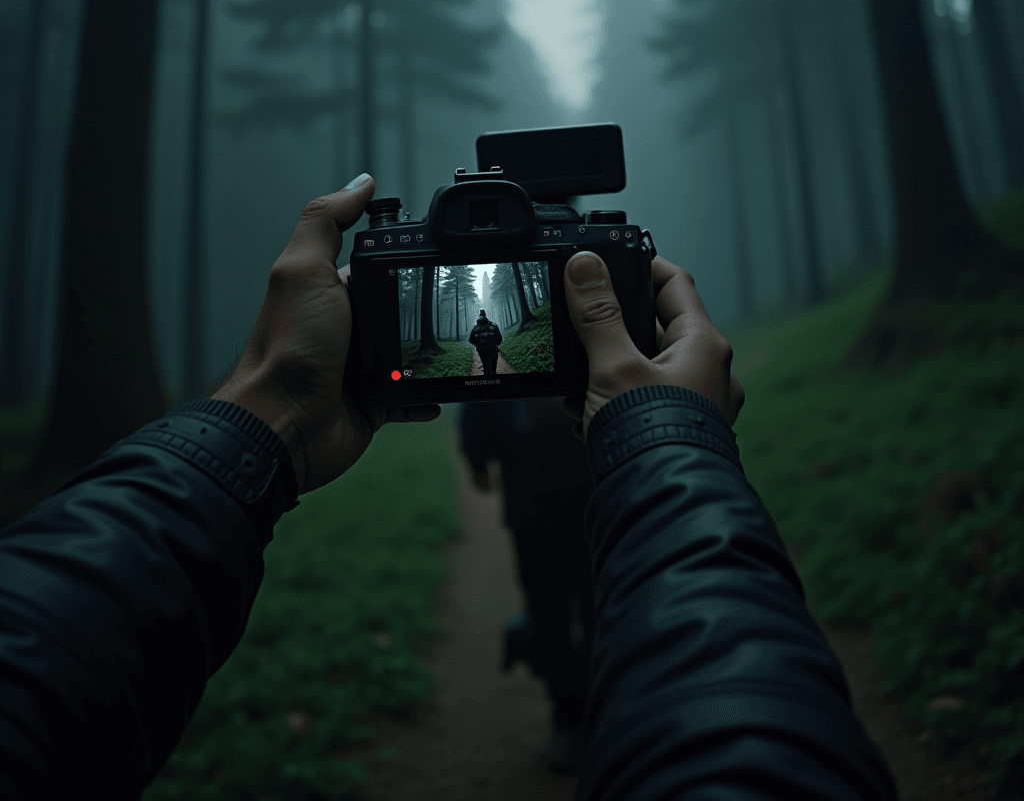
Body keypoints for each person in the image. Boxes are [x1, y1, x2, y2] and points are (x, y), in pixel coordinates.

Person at [0, 174, 898, 800]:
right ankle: (568, 708)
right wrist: (666, 443)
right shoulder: (503, 316)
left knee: (587, 586)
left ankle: (600, 706)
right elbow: (481, 380)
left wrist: (261, 421)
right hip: (547, 472)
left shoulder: (581, 270)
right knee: (554, 588)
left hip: (589, 459)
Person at [458, 397, 593, 772]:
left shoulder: (502, 373)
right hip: (591, 507)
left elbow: (479, 457)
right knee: (595, 611)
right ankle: (594, 716)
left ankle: (570, 721)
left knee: (552, 615)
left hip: (536, 511)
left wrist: (478, 459)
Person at [468, 308, 502, 375]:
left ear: (479, 317)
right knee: (493, 366)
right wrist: (496, 345)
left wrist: (477, 343)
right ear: (486, 316)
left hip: (481, 350)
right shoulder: (494, 326)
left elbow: (471, 341)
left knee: (485, 364)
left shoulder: (475, 328)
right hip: (493, 349)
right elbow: (499, 339)